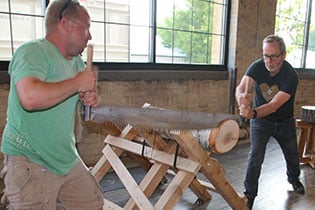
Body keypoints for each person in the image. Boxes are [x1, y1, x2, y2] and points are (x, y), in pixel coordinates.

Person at [0, 0, 104, 209]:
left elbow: (79, 95)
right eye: (86, 27)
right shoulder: (32, 52)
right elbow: (29, 98)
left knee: (93, 204)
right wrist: (77, 83)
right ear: (65, 24)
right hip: (30, 158)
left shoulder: (76, 62)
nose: (90, 36)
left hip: (65, 156)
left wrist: (91, 98)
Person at [235, 35, 305, 209]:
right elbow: (243, 86)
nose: (269, 61)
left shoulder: (290, 75)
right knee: (255, 157)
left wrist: (252, 113)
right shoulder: (257, 66)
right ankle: (249, 195)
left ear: (283, 55)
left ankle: (294, 178)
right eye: (266, 55)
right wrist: (242, 99)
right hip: (261, 123)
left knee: (292, 155)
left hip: (284, 121)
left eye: (274, 56)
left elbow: (274, 105)